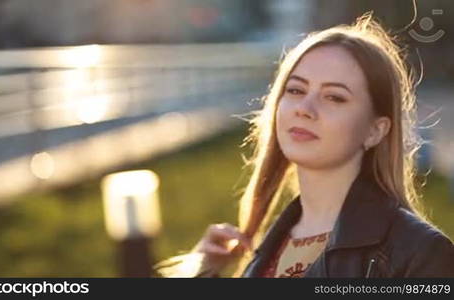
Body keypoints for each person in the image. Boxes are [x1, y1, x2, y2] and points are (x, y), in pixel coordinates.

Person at [154, 13, 454, 278]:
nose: (305, 108)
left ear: (375, 131)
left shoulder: (419, 254)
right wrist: (201, 272)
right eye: (296, 90)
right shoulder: (265, 249)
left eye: (334, 97)